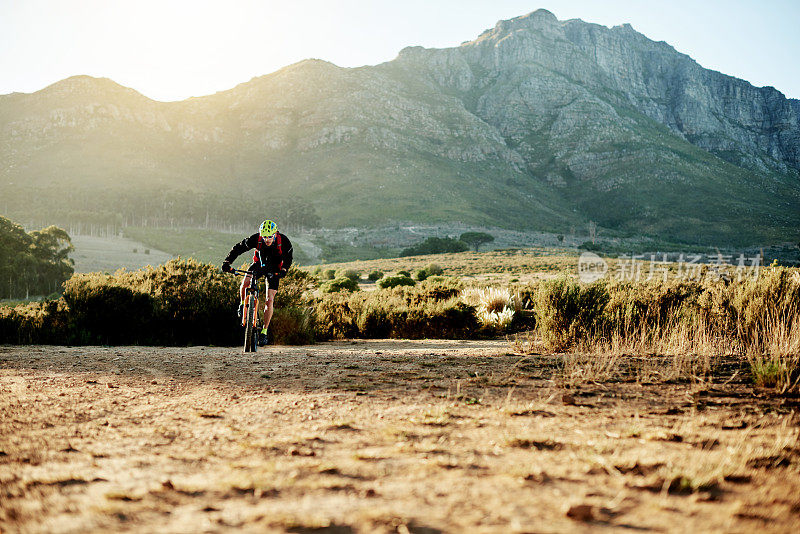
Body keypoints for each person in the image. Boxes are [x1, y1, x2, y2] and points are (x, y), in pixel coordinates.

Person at [221, 219, 293, 346]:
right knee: (245, 282)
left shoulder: (284, 241)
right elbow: (238, 248)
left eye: (269, 236)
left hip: (275, 269)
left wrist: (284, 270)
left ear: (275, 234)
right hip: (259, 265)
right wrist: (227, 262)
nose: (267, 239)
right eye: (264, 236)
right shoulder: (256, 239)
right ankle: (243, 305)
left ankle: (264, 331)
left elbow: (288, 258)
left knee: (269, 299)